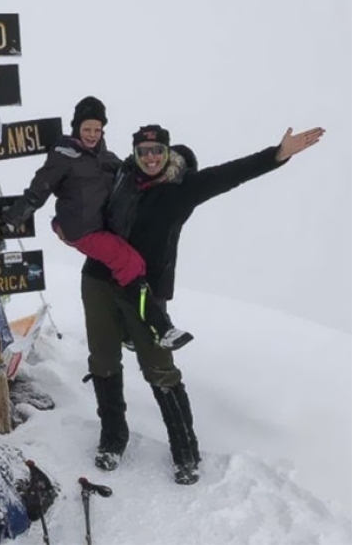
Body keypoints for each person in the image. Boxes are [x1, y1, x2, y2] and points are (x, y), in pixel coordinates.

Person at [80, 123, 324, 484]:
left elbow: (230, 174)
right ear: (134, 154)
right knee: (103, 360)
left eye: (156, 151)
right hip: (99, 279)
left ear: (167, 153)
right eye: (143, 151)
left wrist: (277, 154)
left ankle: (185, 450)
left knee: (159, 367)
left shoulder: (183, 188)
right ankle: (114, 438)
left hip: (145, 290)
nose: (150, 157)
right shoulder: (119, 178)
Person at [0, 97, 193, 349]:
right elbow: (39, 190)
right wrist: (12, 220)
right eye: (86, 129)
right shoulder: (63, 155)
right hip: (82, 229)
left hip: (104, 227)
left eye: (97, 129)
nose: (91, 134)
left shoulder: (107, 158)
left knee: (137, 261)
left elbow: (136, 177)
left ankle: (129, 334)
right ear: (76, 127)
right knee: (129, 263)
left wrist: (179, 166)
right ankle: (161, 327)